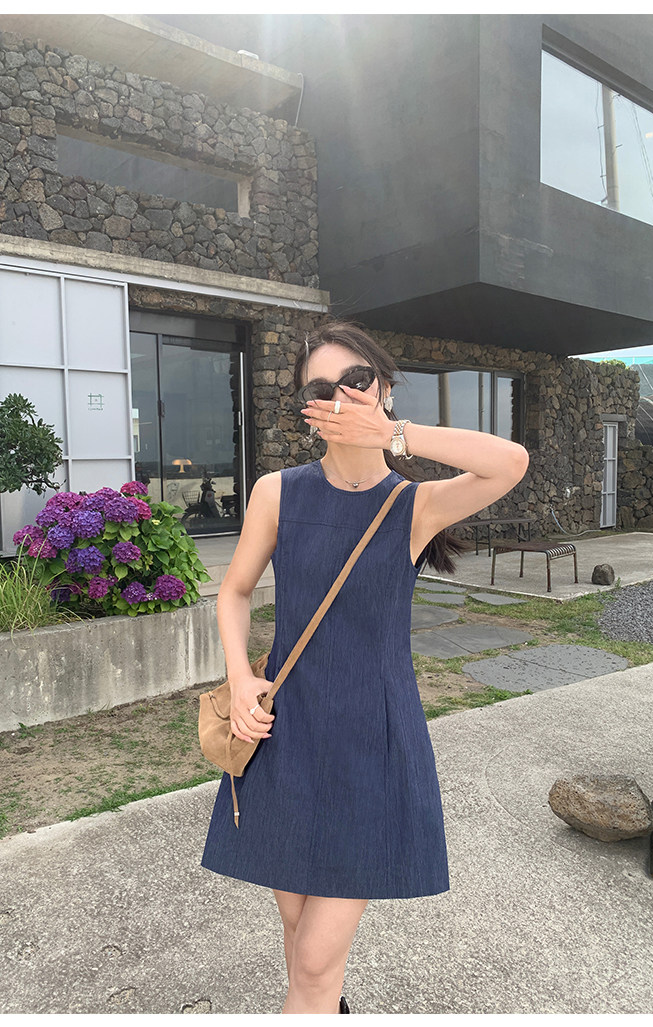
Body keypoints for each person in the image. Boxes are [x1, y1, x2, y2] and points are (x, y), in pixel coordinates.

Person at [200, 321, 530, 1014]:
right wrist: (241, 677)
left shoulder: (414, 505)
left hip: (371, 742)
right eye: (322, 388)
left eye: (357, 380)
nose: (342, 396)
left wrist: (394, 435)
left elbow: (510, 461)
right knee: (298, 931)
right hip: (286, 736)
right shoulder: (277, 492)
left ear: (382, 387)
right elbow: (233, 593)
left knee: (315, 961)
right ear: (307, 409)